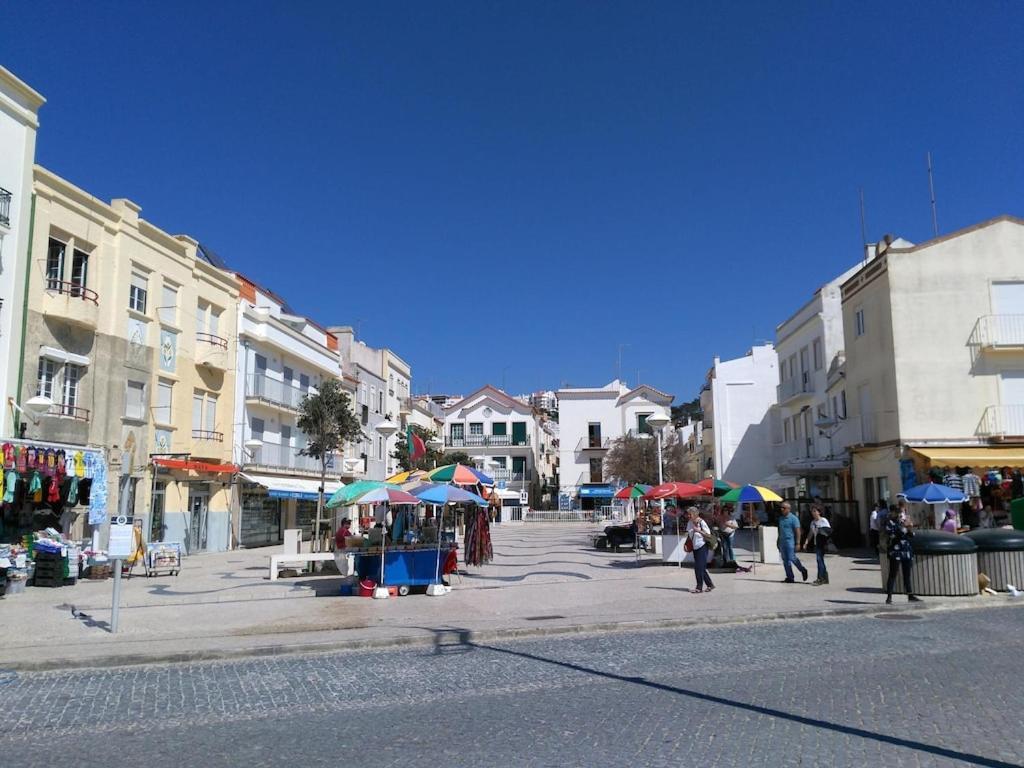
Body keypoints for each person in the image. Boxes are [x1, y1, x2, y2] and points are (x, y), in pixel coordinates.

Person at [885, 502, 921, 604]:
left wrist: (909, 528)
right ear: (893, 513)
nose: (900, 514)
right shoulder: (890, 523)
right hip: (896, 550)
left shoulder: (904, 521)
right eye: (899, 512)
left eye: (902, 512)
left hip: (906, 549)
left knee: (907, 574)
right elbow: (892, 536)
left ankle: (910, 595)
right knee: (893, 573)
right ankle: (889, 597)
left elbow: (912, 535)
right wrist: (902, 528)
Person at [776, 502, 808, 583]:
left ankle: (802, 570)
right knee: (785, 560)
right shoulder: (781, 519)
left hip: (790, 541)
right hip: (782, 542)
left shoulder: (794, 519)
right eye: (781, 507)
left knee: (792, 558)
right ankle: (790, 577)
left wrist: (798, 543)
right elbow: (780, 531)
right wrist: (778, 541)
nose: (782, 509)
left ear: (788, 509)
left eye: (784, 508)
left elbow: (798, 531)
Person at [686, 506, 715, 593]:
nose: (688, 516)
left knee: (698, 568)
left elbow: (709, 535)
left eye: (690, 514)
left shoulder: (702, 522)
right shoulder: (690, 522)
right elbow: (689, 533)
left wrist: (699, 531)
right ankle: (710, 585)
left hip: (702, 546)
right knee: (701, 568)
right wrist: (687, 543)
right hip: (695, 547)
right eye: (688, 514)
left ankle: (699, 587)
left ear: (695, 514)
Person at [802, 505, 832, 585]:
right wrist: (806, 542)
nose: (813, 513)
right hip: (817, 543)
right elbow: (810, 534)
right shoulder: (812, 522)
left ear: (819, 512)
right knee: (820, 560)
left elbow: (828, 531)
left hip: (822, 543)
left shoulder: (823, 521)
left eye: (815, 511)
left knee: (819, 560)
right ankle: (825, 577)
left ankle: (820, 578)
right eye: (812, 511)